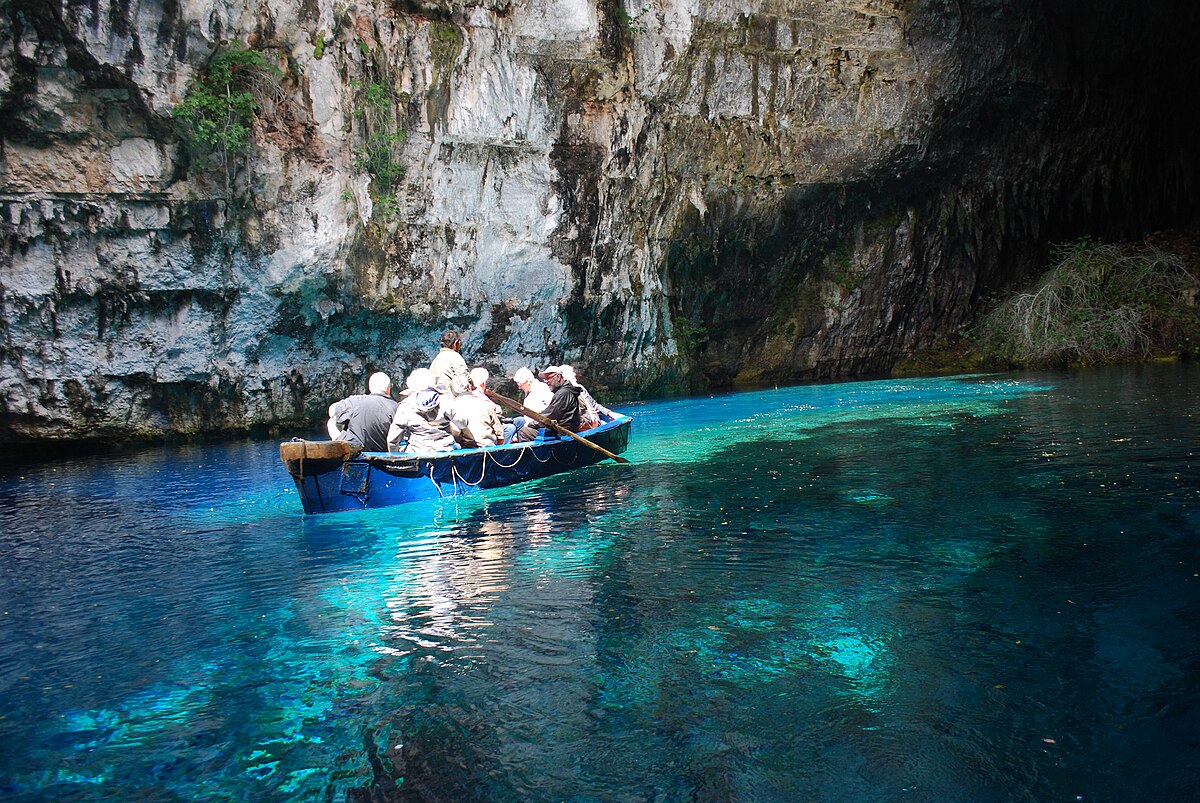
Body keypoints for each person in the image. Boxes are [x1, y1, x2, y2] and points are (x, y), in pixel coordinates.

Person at [386, 368, 457, 453]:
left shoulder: (407, 405)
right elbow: (460, 425)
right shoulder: (445, 401)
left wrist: (394, 455)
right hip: (446, 450)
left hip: (418, 451)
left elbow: (393, 437)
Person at [326, 371, 397, 452]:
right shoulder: (395, 407)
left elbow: (332, 412)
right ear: (387, 388)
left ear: (370, 387)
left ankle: (339, 446)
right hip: (382, 451)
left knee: (331, 422)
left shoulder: (355, 401)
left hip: (353, 450)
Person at [513, 366, 581, 442]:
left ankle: (535, 454)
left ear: (558, 377)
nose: (546, 381)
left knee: (524, 432)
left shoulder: (563, 394)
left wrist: (533, 424)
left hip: (563, 432)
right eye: (545, 379)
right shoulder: (562, 392)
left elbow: (550, 415)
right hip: (562, 429)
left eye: (548, 378)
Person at [448, 372, 505, 448]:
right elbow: (499, 434)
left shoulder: (452, 408)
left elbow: (456, 434)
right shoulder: (485, 403)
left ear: (452, 391)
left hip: (467, 452)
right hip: (490, 448)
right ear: (469, 387)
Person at [504, 366, 553, 443]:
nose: (519, 388)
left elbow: (551, 409)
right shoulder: (528, 391)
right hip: (531, 423)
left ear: (528, 382)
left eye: (520, 384)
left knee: (523, 432)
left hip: (541, 426)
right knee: (518, 421)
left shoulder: (542, 389)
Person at [559, 364, 614, 430]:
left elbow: (594, 404)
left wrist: (609, 413)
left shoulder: (580, 388)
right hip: (582, 428)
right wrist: (587, 412)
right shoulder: (564, 394)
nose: (574, 374)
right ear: (565, 377)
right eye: (571, 373)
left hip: (595, 424)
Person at [429, 330, 470, 396]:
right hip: (450, 397)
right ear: (456, 343)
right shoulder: (455, 356)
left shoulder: (436, 359)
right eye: (460, 344)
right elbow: (463, 379)